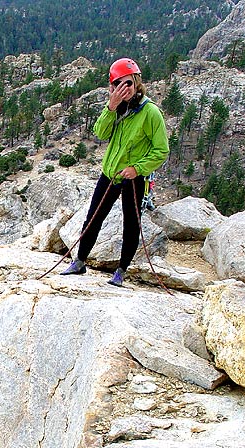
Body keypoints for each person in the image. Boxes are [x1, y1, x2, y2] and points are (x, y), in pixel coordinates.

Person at [61, 57, 169, 286]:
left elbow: (161, 150)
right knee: (93, 218)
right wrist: (110, 107)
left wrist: (137, 169)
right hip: (110, 174)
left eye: (128, 83)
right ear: (112, 87)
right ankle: (80, 261)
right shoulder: (117, 107)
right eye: (119, 84)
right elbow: (100, 132)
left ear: (137, 82)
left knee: (131, 224)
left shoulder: (150, 113)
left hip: (132, 178)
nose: (125, 89)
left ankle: (121, 271)